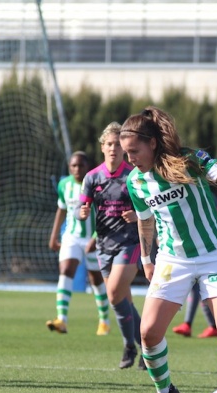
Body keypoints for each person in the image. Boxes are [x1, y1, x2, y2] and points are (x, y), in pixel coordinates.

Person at [120, 106, 217, 393]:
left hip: (214, 255)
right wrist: (146, 259)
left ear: (152, 143)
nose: (130, 159)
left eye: (134, 151)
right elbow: (145, 223)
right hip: (172, 260)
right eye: (126, 153)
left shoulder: (190, 159)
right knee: (149, 333)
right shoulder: (136, 182)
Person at [77, 122, 145, 370]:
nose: (113, 148)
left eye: (118, 144)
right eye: (109, 144)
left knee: (114, 293)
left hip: (130, 242)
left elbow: (151, 208)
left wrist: (138, 217)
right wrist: (82, 212)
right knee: (123, 300)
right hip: (104, 245)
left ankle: (133, 347)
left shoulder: (133, 176)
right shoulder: (92, 177)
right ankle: (144, 348)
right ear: (102, 147)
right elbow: (81, 208)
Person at [46, 151, 110, 335]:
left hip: (94, 237)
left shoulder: (96, 184)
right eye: (73, 165)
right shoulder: (64, 185)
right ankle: (62, 319)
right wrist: (54, 236)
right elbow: (61, 210)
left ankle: (104, 321)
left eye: (80, 165)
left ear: (87, 167)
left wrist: (96, 237)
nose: (76, 169)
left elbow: (105, 214)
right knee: (65, 271)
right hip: (71, 236)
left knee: (96, 279)